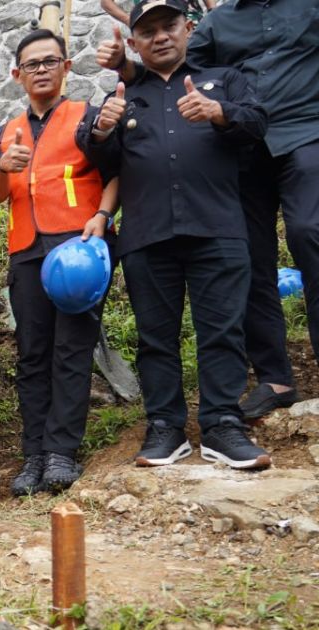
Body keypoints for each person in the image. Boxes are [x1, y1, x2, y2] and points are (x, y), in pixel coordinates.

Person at [98, 0, 319, 420]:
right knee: (252, 258)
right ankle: (275, 377)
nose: (164, 33)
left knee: (311, 232)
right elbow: (172, 70)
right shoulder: (220, 21)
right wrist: (125, 68)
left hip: (305, 132)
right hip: (242, 148)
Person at [84, 0, 271, 469]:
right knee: (155, 338)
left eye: (169, 26)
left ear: (188, 28)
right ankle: (165, 427)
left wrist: (218, 111)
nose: (161, 37)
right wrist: (102, 131)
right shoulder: (125, 95)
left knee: (223, 332)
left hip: (219, 228)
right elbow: (100, 162)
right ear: (134, 43)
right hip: (148, 234)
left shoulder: (223, 79)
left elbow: (258, 124)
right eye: (148, 32)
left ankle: (222, 425)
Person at [0, 30, 117, 496]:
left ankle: (62, 451)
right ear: (16, 74)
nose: (41, 70)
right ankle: (33, 454)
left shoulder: (89, 117)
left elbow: (118, 173)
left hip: (78, 248)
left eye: (50, 61)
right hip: (26, 251)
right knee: (32, 353)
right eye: (31, 64)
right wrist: (4, 167)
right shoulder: (5, 131)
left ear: (67, 67)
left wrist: (102, 216)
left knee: (72, 350)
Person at [101, 0, 214, 26]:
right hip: (153, 29)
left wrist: (213, 12)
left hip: (192, 24)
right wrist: (130, 21)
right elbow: (106, 2)